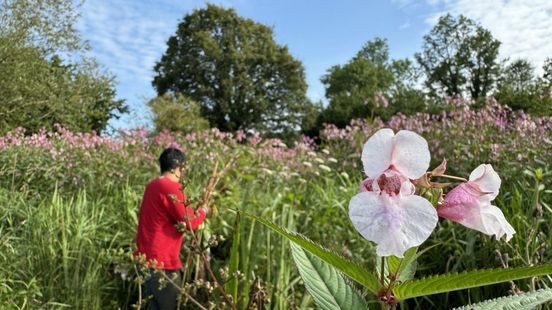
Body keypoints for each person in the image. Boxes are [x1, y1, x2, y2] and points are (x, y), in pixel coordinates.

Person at [135, 147, 208, 309]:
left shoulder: (152, 186)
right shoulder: (171, 187)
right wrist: (203, 212)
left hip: (146, 259)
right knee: (171, 306)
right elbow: (189, 223)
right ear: (180, 167)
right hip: (162, 262)